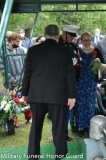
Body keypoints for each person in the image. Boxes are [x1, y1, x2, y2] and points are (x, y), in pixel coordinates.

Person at [21, 24, 76, 160]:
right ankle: (60, 155)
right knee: (58, 127)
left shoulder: (33, 50)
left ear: (44, 35)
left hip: (36, 94)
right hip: (57, 95)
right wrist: (72, 96)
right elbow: (70, 75)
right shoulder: (65, 52)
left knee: (35, 128)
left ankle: (33, 156)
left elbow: (27, 73)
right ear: (58, 36)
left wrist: (24, 93)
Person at [70, 32, 106, 137]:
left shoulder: (96, 51)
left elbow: (105, 67)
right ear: (81, 40)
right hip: (80, 81)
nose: (86, 42)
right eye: (84, 40)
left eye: (88, 40)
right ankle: (80, 127)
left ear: (92, 40)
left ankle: (89, 126)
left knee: (90, 104)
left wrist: (99, 62)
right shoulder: (78, 51)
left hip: (91, 82)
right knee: (80, 104)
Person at [0, 32, 32, 124]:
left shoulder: (20, 50)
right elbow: (2, 67)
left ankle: (29, 117)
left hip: (22, 80)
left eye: (20, 41)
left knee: (25, 98)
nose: (19, 43)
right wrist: (11, 78)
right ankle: (13, 120)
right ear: (11, 40)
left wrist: (25, 76)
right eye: (17, 41)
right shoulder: (3, 51)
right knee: (11, 102)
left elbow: (25, 64)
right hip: (11, 81)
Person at [58, 24, 82, 141]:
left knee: (67, 110)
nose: (73, 38)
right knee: (60, 110)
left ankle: (64, 133)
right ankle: (58, 134)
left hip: (70, 81)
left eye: (73, 36)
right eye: (71, 36)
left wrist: (76, 63)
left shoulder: (72, 45)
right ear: (65, 33)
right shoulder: (57, 45)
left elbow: (78, 61)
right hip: (60, 82)